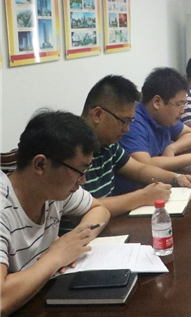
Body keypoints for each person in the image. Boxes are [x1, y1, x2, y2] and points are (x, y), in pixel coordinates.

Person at [0, 110, 111, 315]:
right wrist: (56, 257)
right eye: (80, 171)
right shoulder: (3, 206)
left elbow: (99, 209)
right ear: (41, 164)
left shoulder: (53, 190)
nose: (83, 181)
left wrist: (75, 241)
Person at [81, 75, 191, 217]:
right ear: (97, 115)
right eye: (124, 121)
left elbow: (139, 169)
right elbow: (83, 207)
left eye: (130, 122)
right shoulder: (70, 149)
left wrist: (177, 178)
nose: (127, 129)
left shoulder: (108, 145)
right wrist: (142, 196)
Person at [117, 67, 191, 194]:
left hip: (158, 185)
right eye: (179, 104)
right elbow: (145, 165)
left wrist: (171, 148)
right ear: (157, 102)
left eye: (184, 104)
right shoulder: (132, 123)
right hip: (135, 193)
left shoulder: (164, 117)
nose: (182, 111)